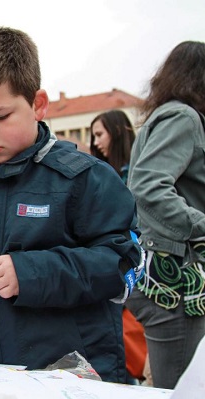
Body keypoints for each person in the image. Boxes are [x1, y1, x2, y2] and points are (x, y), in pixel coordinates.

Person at [0, 26, 143, 383]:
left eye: (0, 117)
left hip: (65, 378)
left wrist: (31, 273)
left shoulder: (84, 179)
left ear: (38, 105)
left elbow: (123, 263)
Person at [126, 41, 205, 389]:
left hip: (168, 277)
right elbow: (148, 186)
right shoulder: (183, 116)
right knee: (177, 388)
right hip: (174, 282)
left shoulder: (170, 115)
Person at [90, 110, 148, 384]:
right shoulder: (104, 174)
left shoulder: (132, 174)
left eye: (100, 134)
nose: (96, 141)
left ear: (118, 131)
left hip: (138, 272)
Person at [90, 110, 135, 184]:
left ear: (117, 131)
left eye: (99, 134)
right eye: (94, 137)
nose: (95, 143)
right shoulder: (99, 174)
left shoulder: (140, 169)